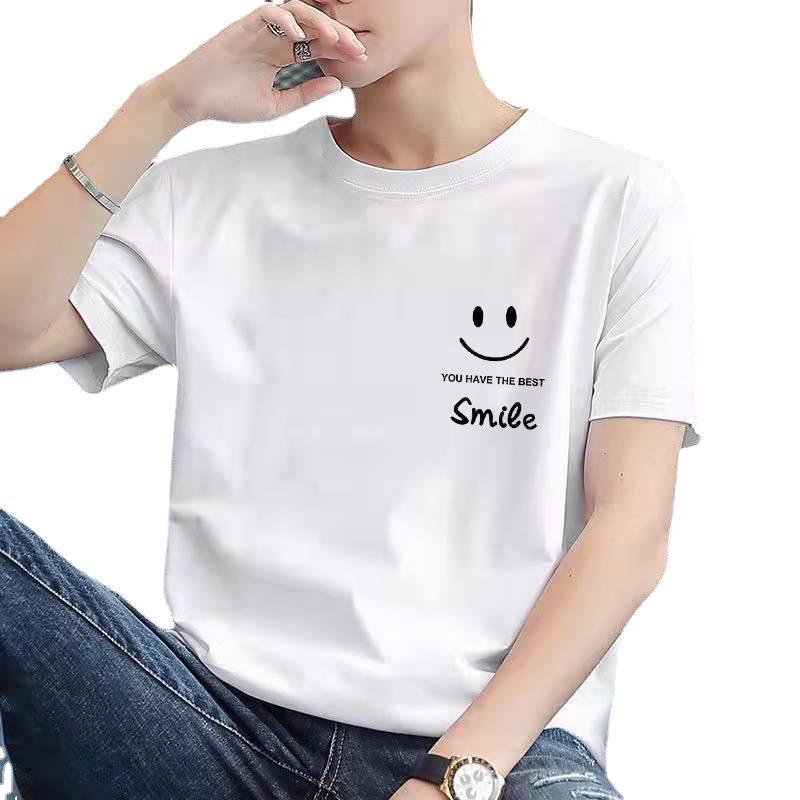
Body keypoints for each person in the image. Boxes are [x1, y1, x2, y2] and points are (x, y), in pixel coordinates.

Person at [0, 1, 701, 798]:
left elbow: (630, 532)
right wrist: (164, 106)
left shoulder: (612, 199)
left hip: (494, 751)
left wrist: (447, 779)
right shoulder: (207, 199)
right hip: (220, 729)